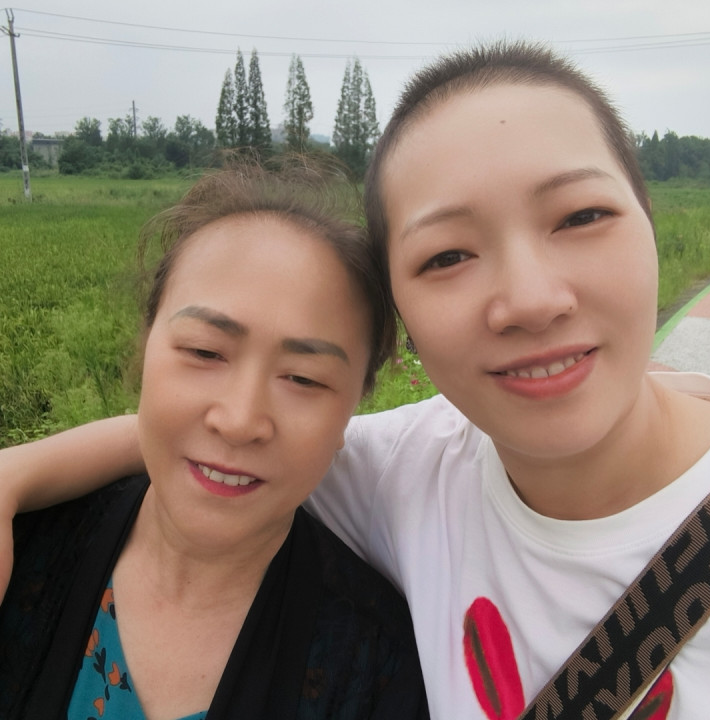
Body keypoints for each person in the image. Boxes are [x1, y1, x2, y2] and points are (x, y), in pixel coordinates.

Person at [2, 40, 710, 719]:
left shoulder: (362, 650)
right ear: (404, 320)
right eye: (448, 256)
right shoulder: (407, 473)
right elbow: (207, 442)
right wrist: (16, 477)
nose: (531, 300)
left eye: (582, 215)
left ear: (652, 217)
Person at [0, 161, 429, 719]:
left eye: (304, 379)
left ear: (353, 408)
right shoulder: (22, 547)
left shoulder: (377, 668)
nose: (239, 420)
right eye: (205, 352)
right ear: (145, 345)